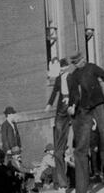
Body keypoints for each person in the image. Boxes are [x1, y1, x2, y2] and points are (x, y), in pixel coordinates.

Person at [67, 52, 104, 193]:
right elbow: (73, 93)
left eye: (83, 60)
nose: (83, 62)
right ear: (75, 63)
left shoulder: (92, 67)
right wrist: (72, 105)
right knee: (82, 145)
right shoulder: (74, 76)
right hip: (85, 109)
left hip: (98, 104)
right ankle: (81, 188)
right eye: (79, 61)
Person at [45, 57, 72, 192]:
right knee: (58, 152)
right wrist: (49, 104)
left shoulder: (72, 78)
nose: (61, 71)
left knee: (64, 151)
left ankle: (64, 183)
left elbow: (77, 94)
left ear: (67, 68)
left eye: (63, 68)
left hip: (71, 112)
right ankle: (62, 184)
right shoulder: (59, 79)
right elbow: (55, 92)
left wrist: (73, 106)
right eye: (60, 69)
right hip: (61, 114)